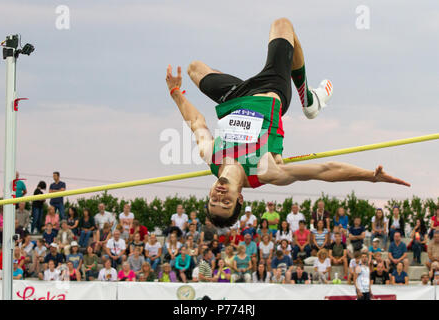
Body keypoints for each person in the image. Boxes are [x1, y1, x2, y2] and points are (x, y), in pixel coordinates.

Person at [166, 18, 409, 229]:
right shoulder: (265, 171)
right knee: (283, 26)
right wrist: (370, 177)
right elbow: (325, 171)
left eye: (213, 201)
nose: (219, 197)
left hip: (234, 95)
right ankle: (309, 100)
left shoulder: (211, 156)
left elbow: (196, 121)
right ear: (239, 199)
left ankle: (246, 81)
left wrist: (175, 91)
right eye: (226, 202)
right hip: (271, 90)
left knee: (194, 68)